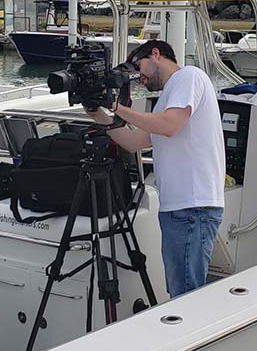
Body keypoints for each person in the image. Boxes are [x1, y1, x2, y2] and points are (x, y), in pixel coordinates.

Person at [85, 40, 225, 297]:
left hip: (193, 207)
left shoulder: (188, 77)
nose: (138, 78)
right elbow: (135, 142)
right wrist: (100, 115)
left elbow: (169, 126)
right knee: (180, 290)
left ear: (156, 54)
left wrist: (117, 108)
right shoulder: (168, 98)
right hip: (178, 208)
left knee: (186, 294)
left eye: (138, 67)